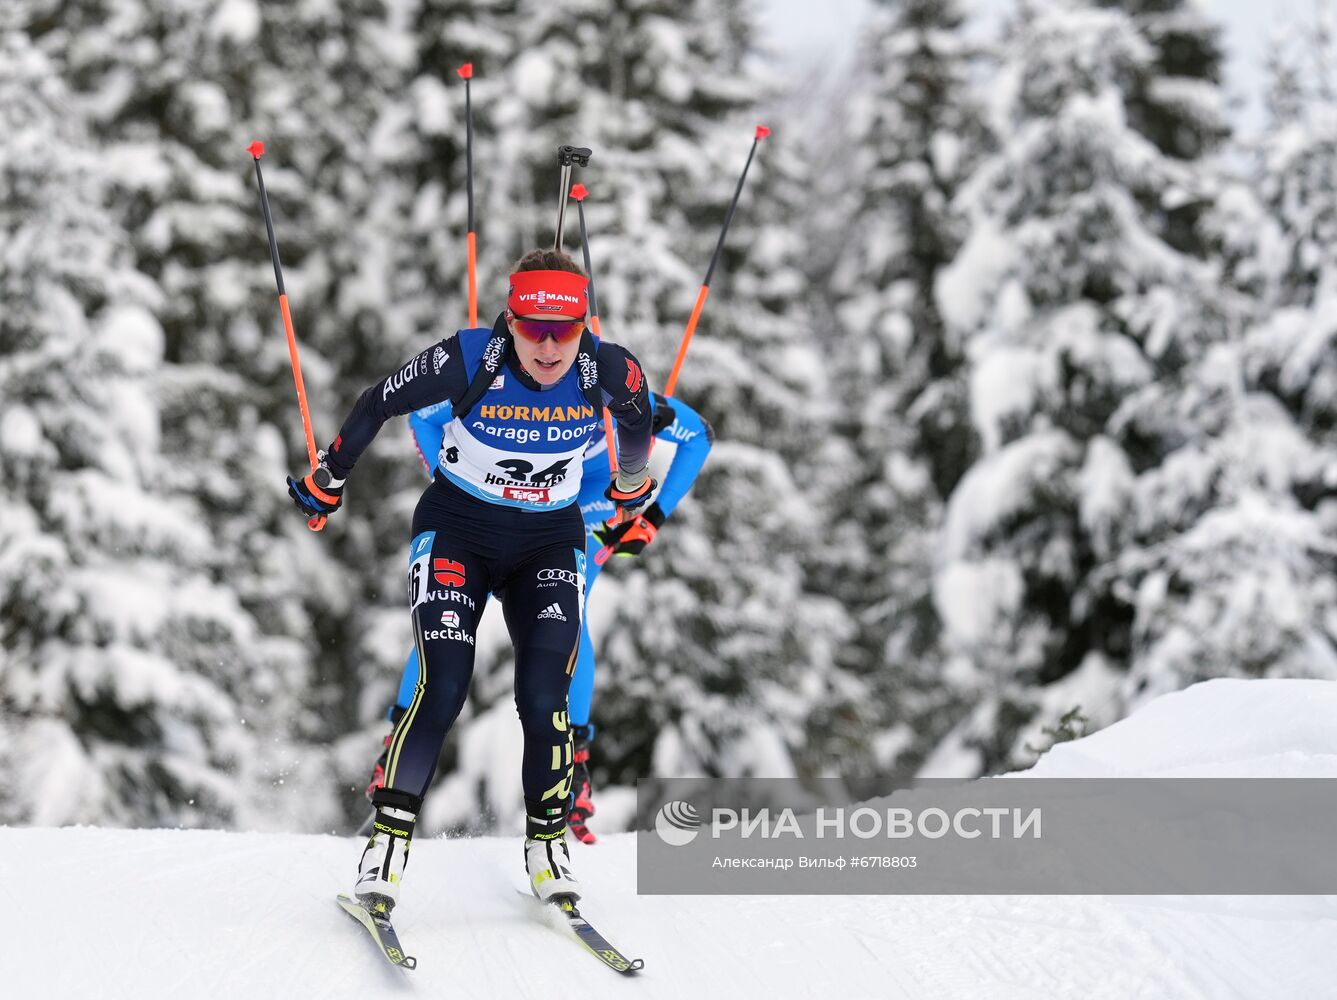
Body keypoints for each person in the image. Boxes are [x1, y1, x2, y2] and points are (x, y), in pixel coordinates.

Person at [287, 249, 655, 915]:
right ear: (509, 321)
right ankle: (387, 848)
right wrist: (330, 476)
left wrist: (630, 488)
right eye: (533, 330)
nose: (548, 348)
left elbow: (639, 423)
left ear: (584, 327)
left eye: (564, 331)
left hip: (548, 540)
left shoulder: (610, 369)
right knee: (443, 682)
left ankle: (547, 847)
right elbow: (380, 400)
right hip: (458, 530)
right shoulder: (469, 359)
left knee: (546, 693)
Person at [363, 390, 713, 842]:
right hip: (493, 502)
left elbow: (698, 437)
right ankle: (399, 742)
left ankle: (575, 764)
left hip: (588, 503)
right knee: (450, 613)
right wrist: (454, 485)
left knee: (566, 612)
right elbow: (423, 417)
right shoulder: (496, 382)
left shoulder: (623, 393)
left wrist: (653, 517)